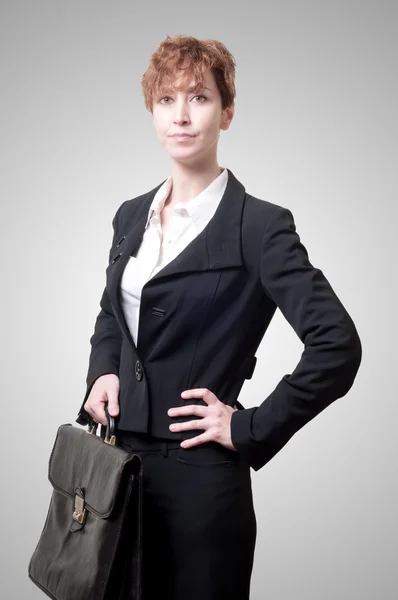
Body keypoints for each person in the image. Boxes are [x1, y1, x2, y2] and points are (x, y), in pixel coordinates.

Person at [76, 35, 362, 600]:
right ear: (151, 110)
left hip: (201, 487)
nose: (181, 115)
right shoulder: (131, 214)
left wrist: (249, 427)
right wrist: (103, 371)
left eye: (199, 97)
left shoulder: (259, 226)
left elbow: (338, 344)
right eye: (166, 99)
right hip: (115, 471)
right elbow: (114, 310)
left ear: (226, 111)